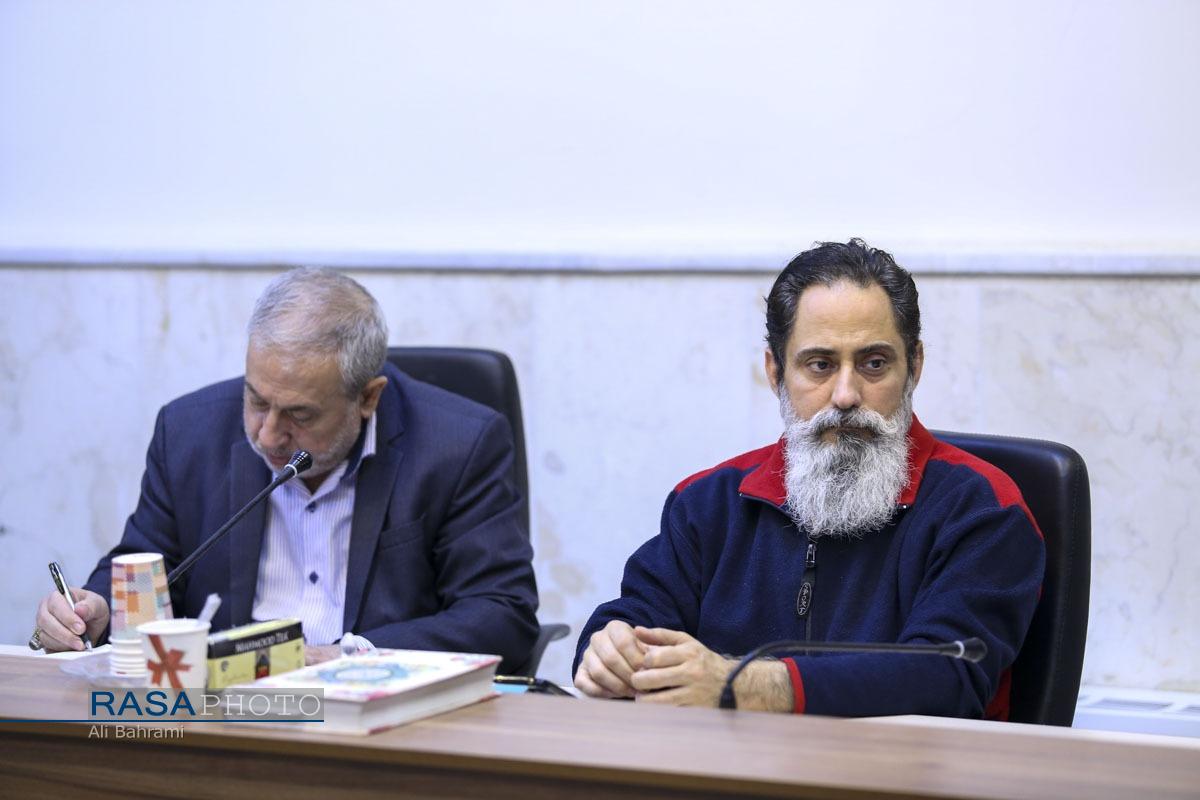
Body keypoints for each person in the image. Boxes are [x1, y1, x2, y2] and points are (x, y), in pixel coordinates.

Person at [573, 239, 1044, 718]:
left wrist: (744, 686)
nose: (846, 395)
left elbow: (946, 677)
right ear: (775, 372)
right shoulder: (707, 503)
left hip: (905, 764)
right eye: (820, 365)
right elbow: (637, 618)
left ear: (914, 367)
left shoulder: (984, 508)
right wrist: (610, 651)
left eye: (874, 364)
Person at [33, 267, 539, 669]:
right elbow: (148, 565)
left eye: (300, 415)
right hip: (223, 713)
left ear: (368, 398)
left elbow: (501, 615)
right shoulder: (189, 433)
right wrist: (96, 612)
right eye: (256, 400)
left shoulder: (459, 445)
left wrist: (349, 657)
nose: (268, 435)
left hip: (381, 720)